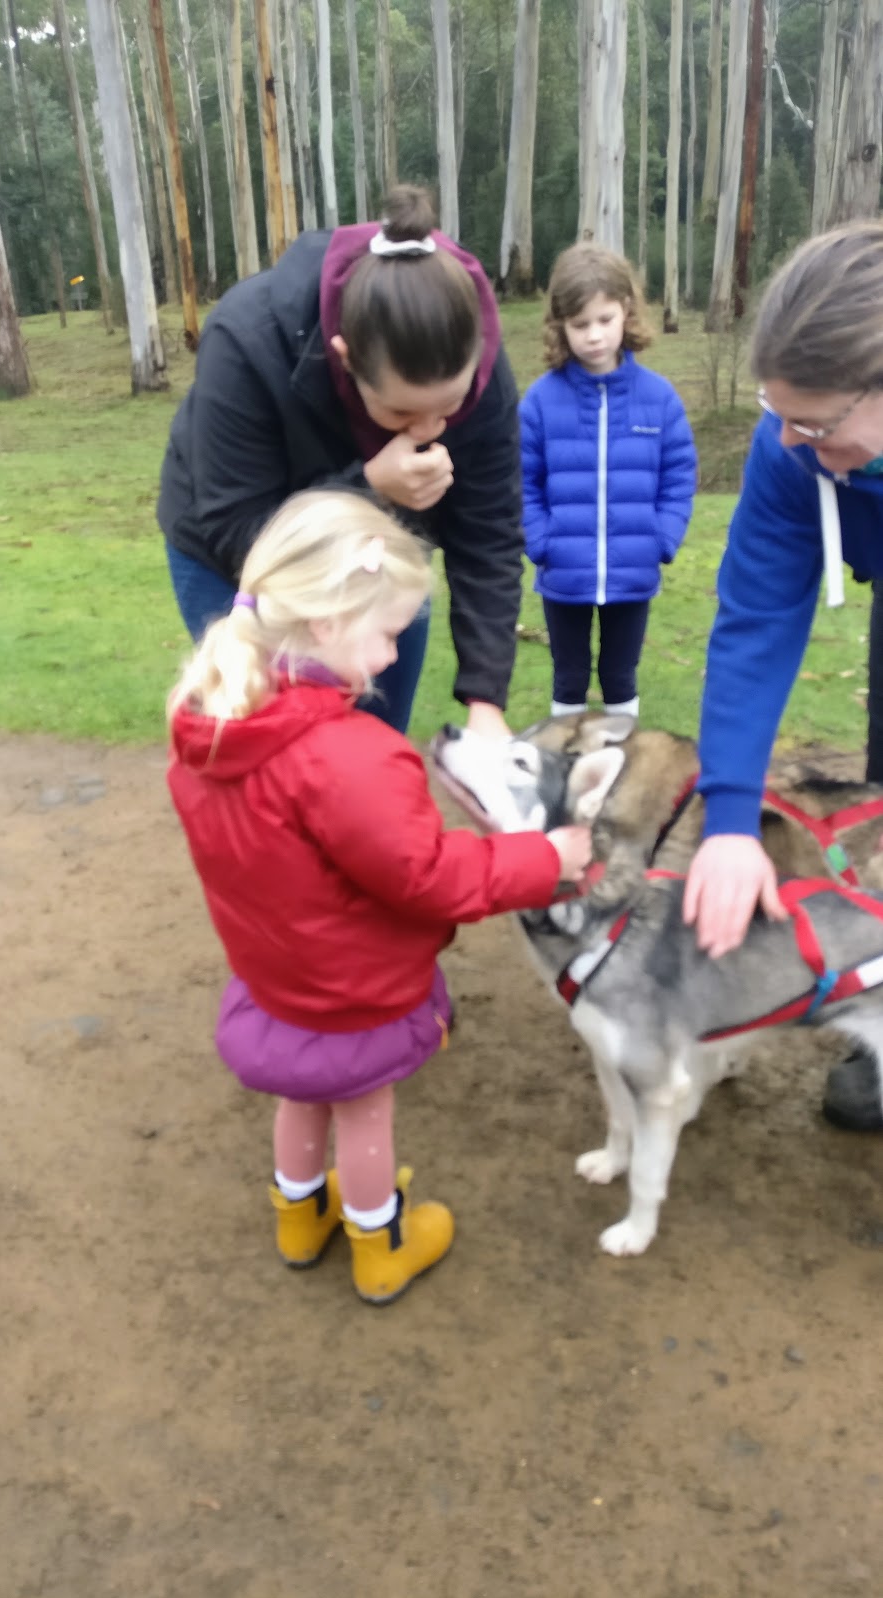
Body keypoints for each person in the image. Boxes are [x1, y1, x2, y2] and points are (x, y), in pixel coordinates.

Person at [166, 491, 594, 1305]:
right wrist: (541, 858)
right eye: (391, 633)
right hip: (352, 990)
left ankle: (299, 1218)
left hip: (277, 978)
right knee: (363, 1112)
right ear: (327, 623)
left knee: (302, 1095)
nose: (397, 656)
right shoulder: (350, 756)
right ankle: (380, 1240)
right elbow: (429, 874)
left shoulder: (212, 726)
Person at [158, 184, 524, 740]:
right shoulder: (248, 339)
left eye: (451, 407)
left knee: (372, 748)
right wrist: (372, 487)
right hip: (237, 556)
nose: (427, 433)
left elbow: (490, 537)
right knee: (277, 751)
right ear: (345, 357)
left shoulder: (482, 369)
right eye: (402, 411)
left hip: (383, 561)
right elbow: (237, 528)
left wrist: (486, 702)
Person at [681, 220, 883, 1133]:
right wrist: (729, 822)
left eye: (816, 422)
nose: (793, 441)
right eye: (779, 416)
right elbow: (757, 622)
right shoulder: (790, 449)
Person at [519, 243, 697, 719]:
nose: (594, 336)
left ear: (626, 313)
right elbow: (521, 482)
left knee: (620, 676)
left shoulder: (659, 400)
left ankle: (622, 772)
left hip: (634, 571)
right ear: (561, 326)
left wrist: (661, 538)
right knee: (569, 676)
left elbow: (679, 476)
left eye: (604, 320)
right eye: (580, 325)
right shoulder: (539, 402)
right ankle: (566, 768)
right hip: (564, 572)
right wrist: (541, 541)